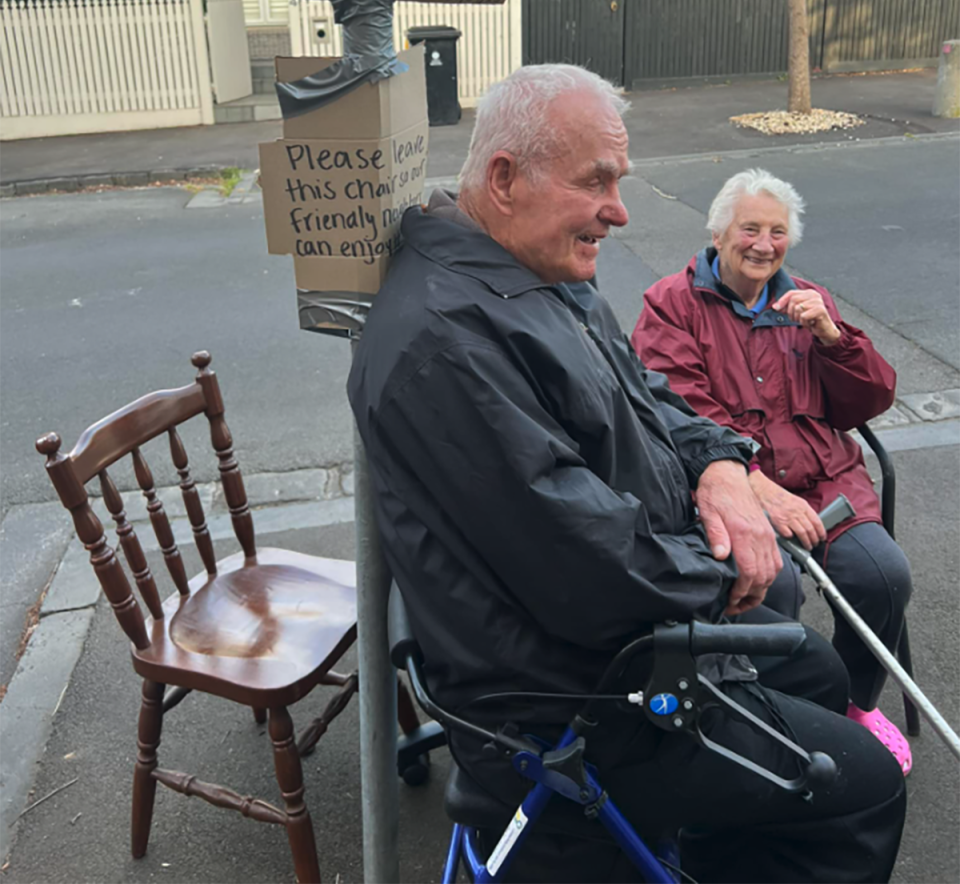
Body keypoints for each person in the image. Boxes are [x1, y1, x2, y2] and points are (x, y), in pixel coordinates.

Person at [349, 68, 905, 883]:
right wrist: (722, 570)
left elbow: (646, 390)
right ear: (504, 180)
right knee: (866, 787)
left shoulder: (528, 272)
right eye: (596, 182)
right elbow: (587, 567)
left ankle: (720, 850)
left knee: (818, 668)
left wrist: (718, 465)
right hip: (577, 695)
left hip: (618, 633)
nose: (620, 209)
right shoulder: (446, 344)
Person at [632, 168, 913, 776]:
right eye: (750, 228)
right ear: (718, 232)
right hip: (732, 489)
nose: (763, 244)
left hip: (827, 485)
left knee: (883, 577)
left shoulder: (808, 301)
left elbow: (868, 402)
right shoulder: (670, 305)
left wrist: (833, 338)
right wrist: (755, 486)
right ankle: (774, 717)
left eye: (777, 231)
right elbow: (678, 412)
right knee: (772, 587)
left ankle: (852, 705)